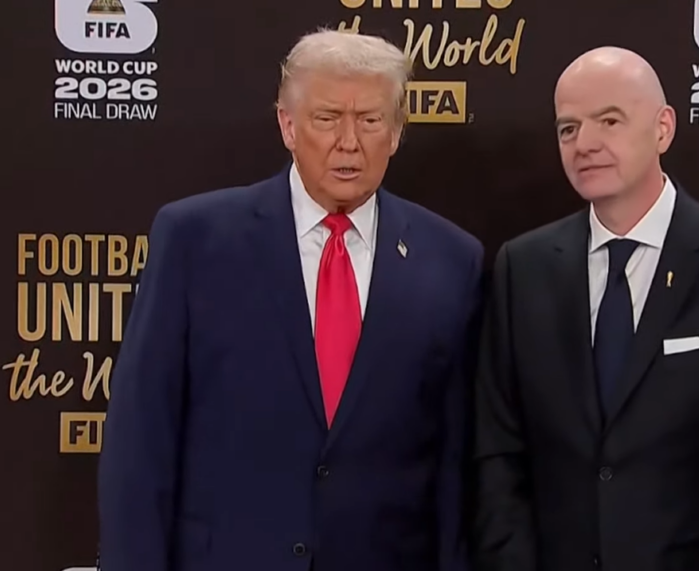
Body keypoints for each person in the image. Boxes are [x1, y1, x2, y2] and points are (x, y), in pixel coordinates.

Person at [97, 29, 483, 571]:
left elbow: (455, 462)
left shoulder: (452, 259)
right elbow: (142, 437)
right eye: (327, 118)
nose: (349, 142)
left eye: (370, 120)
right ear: (287, 125)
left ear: (396, 132)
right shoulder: (195, 240)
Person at [471, 46, 699, 571]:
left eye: (609, 120)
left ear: (663, 128)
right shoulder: (524, 268)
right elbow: (498, 455)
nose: (585, 143)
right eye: (568, 128)